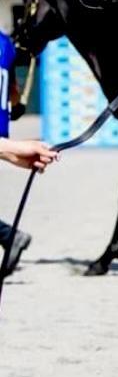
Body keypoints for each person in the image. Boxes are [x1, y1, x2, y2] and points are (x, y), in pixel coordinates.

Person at [0, 23, 58, 276]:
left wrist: (11, 151)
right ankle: (10, 236)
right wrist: (11, 150)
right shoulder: (5, 43)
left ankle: (10, 236)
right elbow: (13, 94)